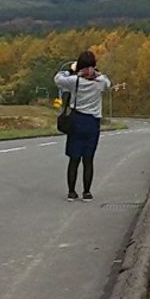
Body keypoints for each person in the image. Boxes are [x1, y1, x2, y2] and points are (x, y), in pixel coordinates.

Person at [54, 49, 111, 201]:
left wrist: (70, 71)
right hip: (93, 123)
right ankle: (87, 192)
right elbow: (108, 82)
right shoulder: (100, 83)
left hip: (76, 121)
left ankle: (71, 192)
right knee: (88, 159)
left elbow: (57, 79)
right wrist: (97, 73)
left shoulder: (75, 81)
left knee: (74, 159)